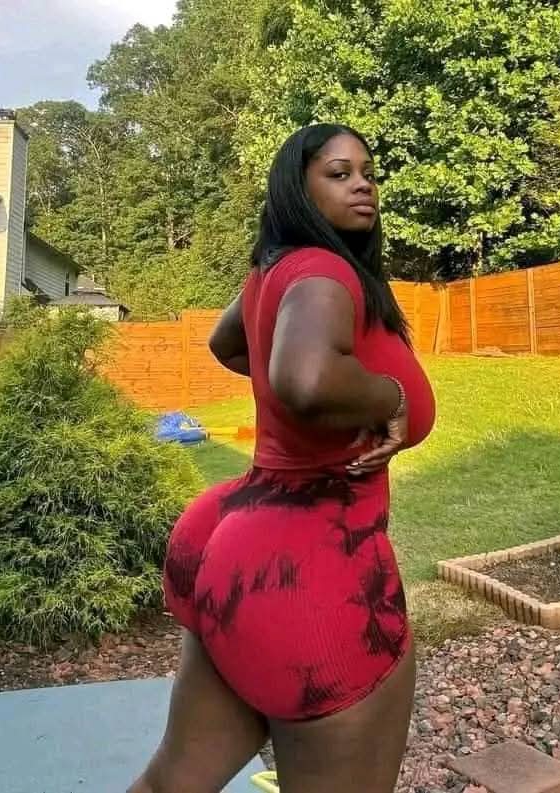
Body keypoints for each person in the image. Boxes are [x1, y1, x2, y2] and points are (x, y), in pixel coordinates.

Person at [129, 123, 435, 793]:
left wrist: (284, 382)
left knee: (170, 782)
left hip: (233, 540)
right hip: (307, 570)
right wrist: (387, 395)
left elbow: (226, 343)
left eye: (367, 172)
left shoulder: (272, 273)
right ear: (297, 190)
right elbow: (306, 379)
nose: (362, 184)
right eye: (338, 173)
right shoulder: (324, 272)